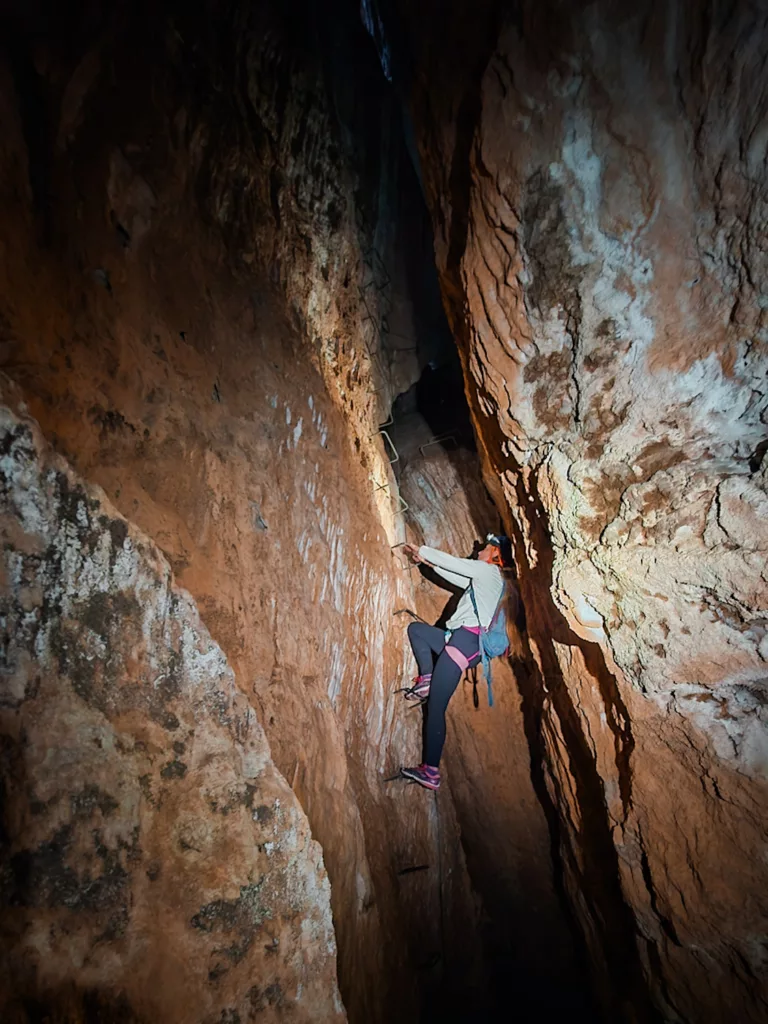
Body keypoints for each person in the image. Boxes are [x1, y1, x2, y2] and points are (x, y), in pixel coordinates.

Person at [399, 533, 516, 791]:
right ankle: (427, 678)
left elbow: (456, 564)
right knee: (417, 631)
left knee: (437, 707)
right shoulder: (486, 579)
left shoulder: (488, 573)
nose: (479, 550)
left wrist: (423, 550)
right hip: (460, 641)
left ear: (496, 555)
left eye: (485, 548)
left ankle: (431, 771)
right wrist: (427, 563)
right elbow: (457, 576)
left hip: (465, 643)